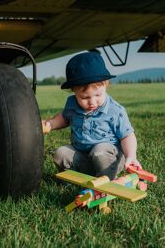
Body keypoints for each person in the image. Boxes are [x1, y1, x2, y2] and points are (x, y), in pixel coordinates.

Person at [42, 51, 142, 180]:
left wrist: (131, 156)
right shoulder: (72, 104)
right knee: (60, 153)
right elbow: (64, 117)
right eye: (84, 97)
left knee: (99, 151)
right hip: (82, 155)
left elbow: (127, 135)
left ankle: (106, 179)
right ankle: (79, 179)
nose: (92, 102)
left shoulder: (114, 110)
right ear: (73, 91)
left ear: (106, 85)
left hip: (108, 158)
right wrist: (50, 124)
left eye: (98, 95)